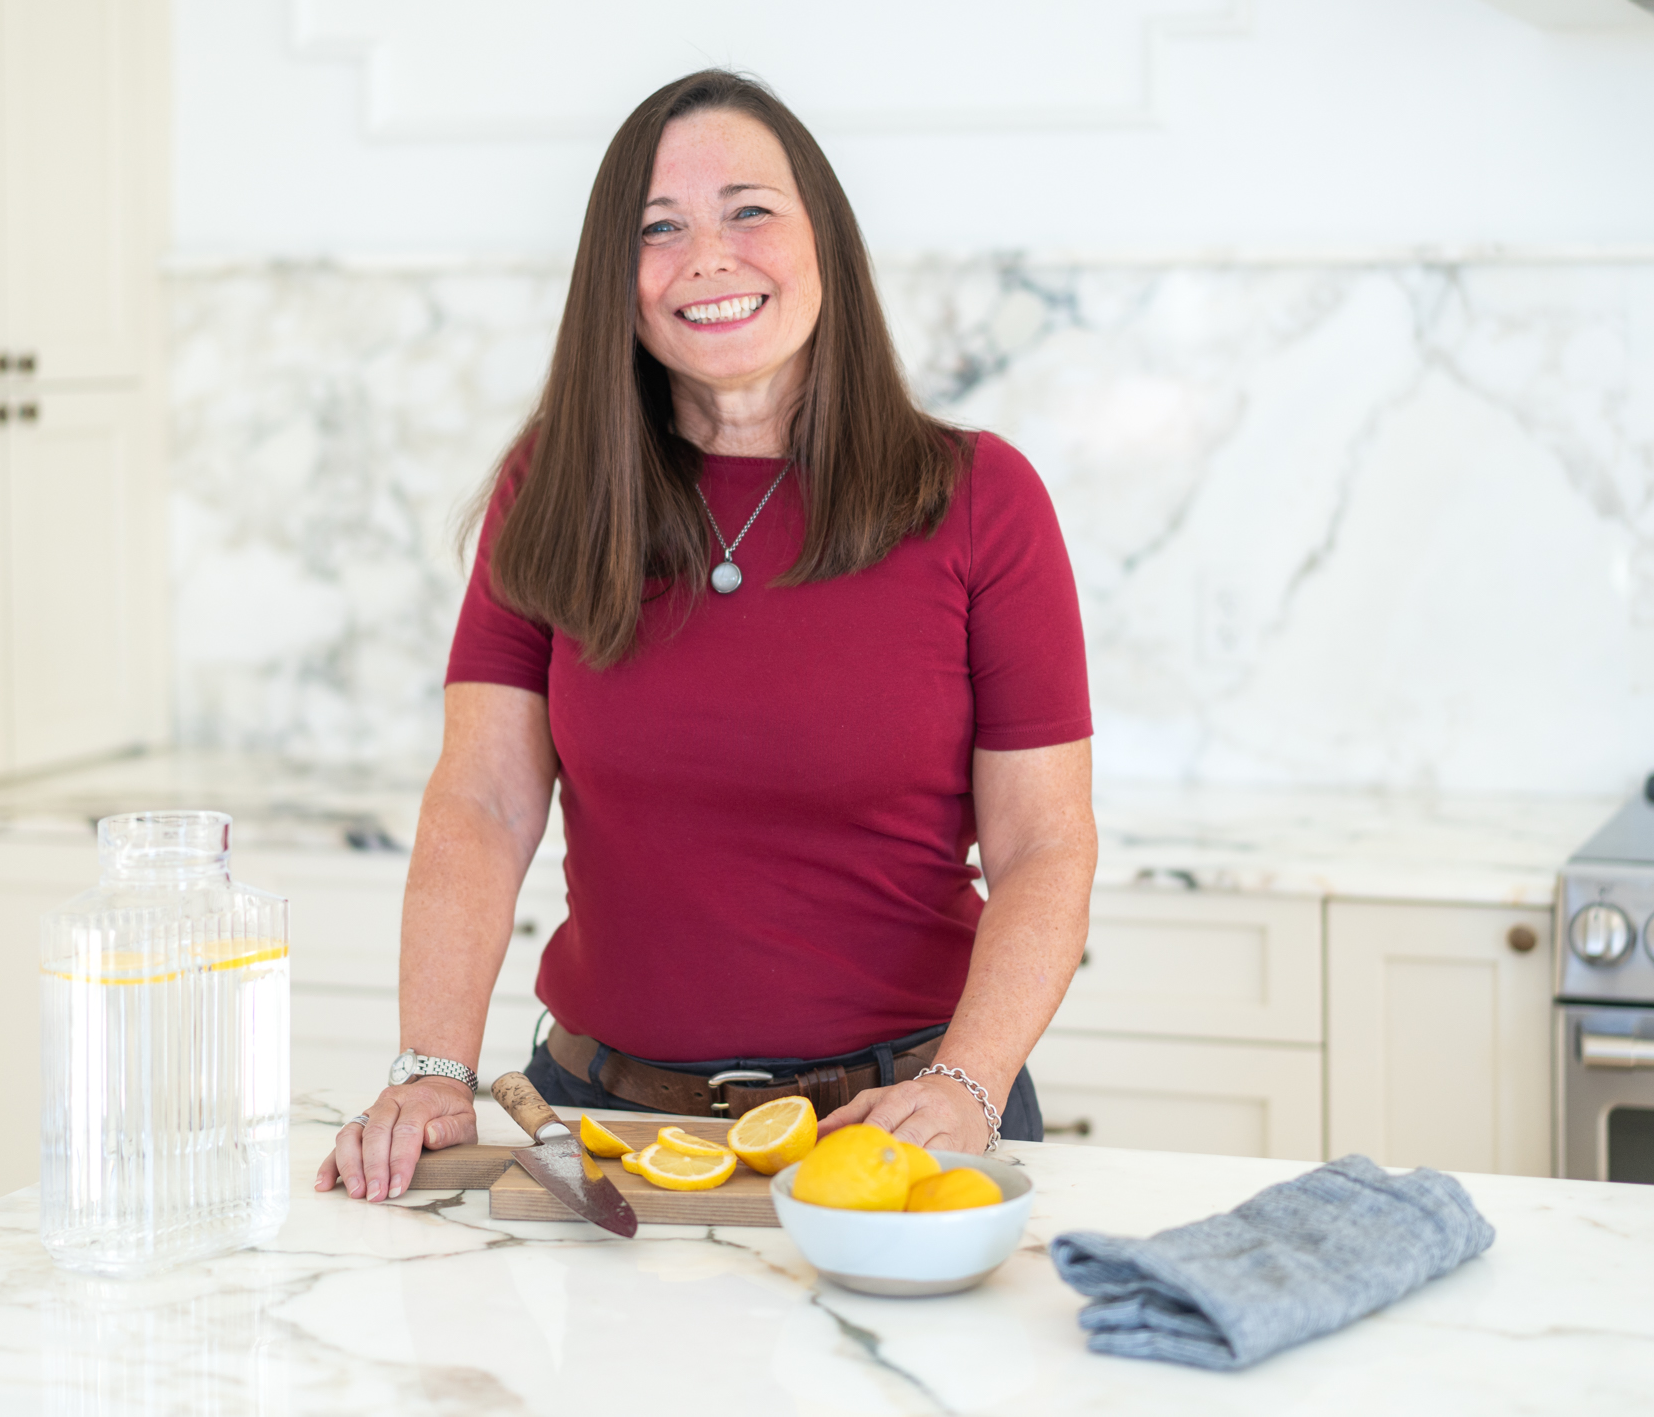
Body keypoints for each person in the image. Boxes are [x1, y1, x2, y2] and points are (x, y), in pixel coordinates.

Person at [318, 69, 1095, 1204]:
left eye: (748, 210)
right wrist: (432, 1067)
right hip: (601, 1131)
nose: (708, 257)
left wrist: (970, 1085)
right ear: (613, 279)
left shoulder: (976, 496)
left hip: (908, 1126)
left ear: (821, 237)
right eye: (657, 227)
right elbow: (481, 800)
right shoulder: (556, 487)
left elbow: (1044, 847)